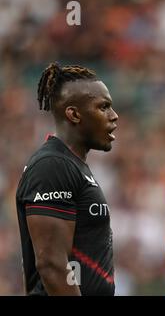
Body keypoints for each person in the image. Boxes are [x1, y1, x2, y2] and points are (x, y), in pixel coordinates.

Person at [15, 62, 119, 295]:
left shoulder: (72, 165)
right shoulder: (52, 166)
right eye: (104, 107)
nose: (114, 116)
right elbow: (51, 265)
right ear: (73, 114)